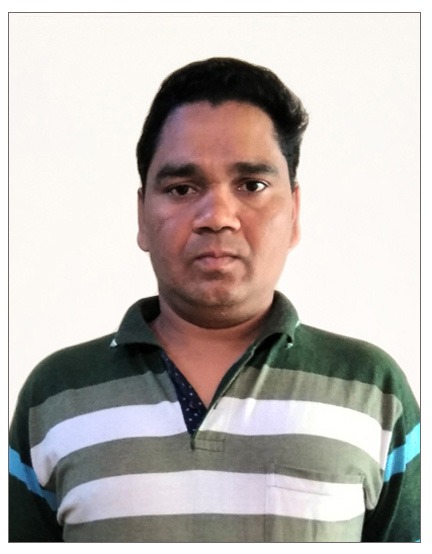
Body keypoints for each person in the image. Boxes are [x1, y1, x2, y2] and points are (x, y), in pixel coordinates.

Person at [9, 57, 420, 543]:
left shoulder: (372, 390)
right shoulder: (55, 393)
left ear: (294, 212)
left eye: (252, 185)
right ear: (142, 215)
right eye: (182, 188)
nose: (217, 216)